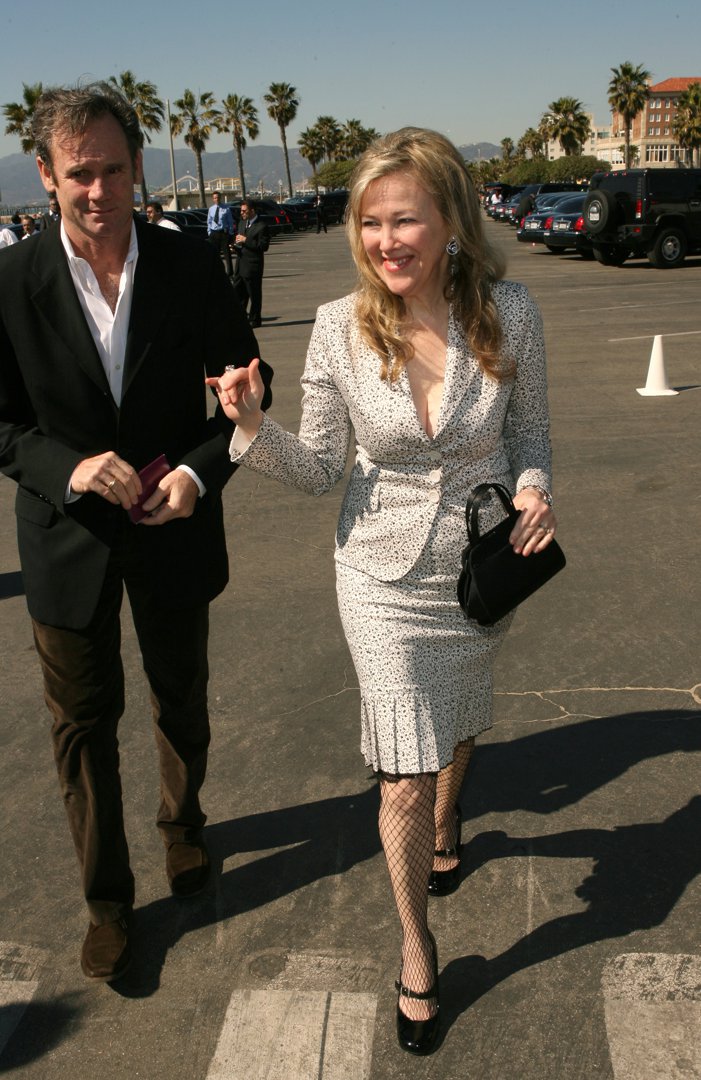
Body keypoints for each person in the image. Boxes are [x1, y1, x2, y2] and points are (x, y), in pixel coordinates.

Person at [209, 127, 557, 1056]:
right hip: (377, 574)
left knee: (459, 724)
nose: (386, 239)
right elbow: (322, 465)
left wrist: (532, 491)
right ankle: (416, 947)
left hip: (482, 566)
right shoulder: (337, 325)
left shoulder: (509, 312)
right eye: (370, 222)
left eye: (405, 218)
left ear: (449, 219)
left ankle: (452, 822)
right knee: (399, 776)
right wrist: (249, 427)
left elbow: (530, 434)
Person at [0, 82, 273, 984]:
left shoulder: (189, 265)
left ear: (138, 168)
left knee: (178, 695)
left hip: (173, 525)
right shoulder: (8, 283)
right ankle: (108, 902)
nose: (99, 189)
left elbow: (242, 393)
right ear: (46, 174)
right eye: (80, 172)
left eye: (114, 169)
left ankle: (182, 825)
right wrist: (66, 468)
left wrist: (200, 471)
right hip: (64, 538)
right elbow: (3, 424)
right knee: (81, 727)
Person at [233, 198, 270, 328]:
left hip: (253, 266)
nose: (242, 213)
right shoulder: (242, 223)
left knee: (254, 294)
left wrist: (246, 240)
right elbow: (240, 240)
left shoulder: (261, 226)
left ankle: (255, 319)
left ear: (252, 211)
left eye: (244, 211)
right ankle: (240, 318)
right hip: (240, 264)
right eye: (241, 211)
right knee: (238, 293)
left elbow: (263, 246)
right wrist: (235, 245)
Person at [207, 190, 235, 277]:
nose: (217, 199)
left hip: (223, 234)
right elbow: (209, 221)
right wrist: (209, 232)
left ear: (220, 198)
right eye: (215, 198)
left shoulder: (226, 208)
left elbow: (230, 222)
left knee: (227, 254)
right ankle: (217, 272)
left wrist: (230, 233)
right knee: (215, 254)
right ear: (213, 199)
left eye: (218, 197)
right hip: (214, 234)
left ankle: (230, 272)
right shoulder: (211, 209)